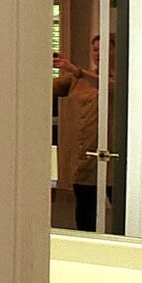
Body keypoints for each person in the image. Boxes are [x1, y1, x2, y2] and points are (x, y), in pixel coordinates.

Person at [53, 34, 104, 230]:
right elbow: (45, 89)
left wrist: (77, 70)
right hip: (83, 157)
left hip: (110, 159)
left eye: (104, 49)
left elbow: (110, 88)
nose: (98, 54)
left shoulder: (127, 78)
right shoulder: (76, 79)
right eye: (95, 49)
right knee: (85, 210)